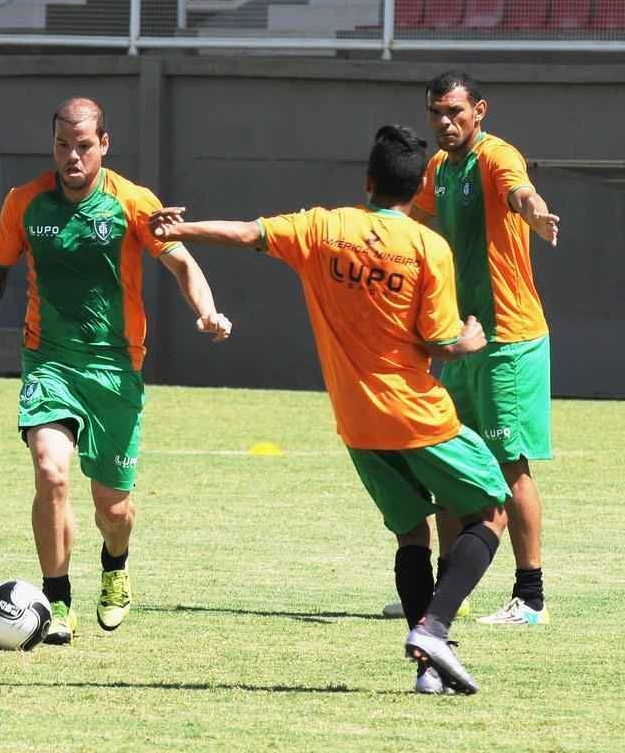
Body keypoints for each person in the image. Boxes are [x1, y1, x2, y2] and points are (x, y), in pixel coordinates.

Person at [149, 125, 510, 694]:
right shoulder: (426, 247)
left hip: (356, 422)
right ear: (419, 191)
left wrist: (181, 228)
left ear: (367, 181)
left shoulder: (323, 227)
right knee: (491, 512)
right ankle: (436, 628)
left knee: (412, 533)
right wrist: (468, 341)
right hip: (415, 413)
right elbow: (439, 339)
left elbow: (246, 234)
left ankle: (428, 671)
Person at [0, 97, 232, 645]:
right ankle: (57, 601)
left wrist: (207, 311)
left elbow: (181, 261)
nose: (72, 156)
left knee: (114, 507)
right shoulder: (25, 202)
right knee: (51, 473)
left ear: (103, 144)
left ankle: (115, 565)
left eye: (84, 146)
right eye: (63, 145)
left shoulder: (131, 202)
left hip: (115, 367)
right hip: (49, 359)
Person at [410, 71, 558, 626]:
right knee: (449, 462)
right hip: (461, 341)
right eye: (436, 113)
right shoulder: (438, 168)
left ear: (480, 110)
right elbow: (414, 218)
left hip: (508, 342)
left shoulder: (497, 156)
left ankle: (531, 597)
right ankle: (453, 591)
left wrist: (534, 213)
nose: (445, 122)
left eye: (454, 112)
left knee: (509, 465)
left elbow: (520, 190)